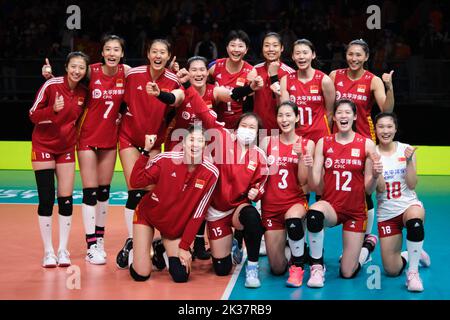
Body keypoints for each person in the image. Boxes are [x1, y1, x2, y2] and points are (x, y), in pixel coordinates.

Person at [150, 56, 262, 261]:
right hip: (185, 150)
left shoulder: (214, 92)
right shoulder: (183, 92)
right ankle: (166, 242)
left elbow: (234, 95)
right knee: (181, 199)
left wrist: (250, 87)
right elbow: (172, 98)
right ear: (188, 73)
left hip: (209, 151)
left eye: (202, 69)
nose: (199, 73)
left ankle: (204, 240)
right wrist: (163, 93)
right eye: (194, 70)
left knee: (204, 195)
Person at [173, 70, 268, 288]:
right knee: (222, 269)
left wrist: (256, 193)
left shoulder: (260, 156)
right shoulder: (222, 138)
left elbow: (260, 186)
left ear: (258, 133)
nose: (247, 130)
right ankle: (234, 242)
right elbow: (202, 110)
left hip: (236, 209)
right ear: (237, 128)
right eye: (244, 126)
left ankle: (252, 267)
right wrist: (187, 85)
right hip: (215, 211)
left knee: (252, 216)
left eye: (252, 128)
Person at [42, 35, 130, 265]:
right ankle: (91, 245)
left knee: (104, 192)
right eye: (108, 49)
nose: (112, 53)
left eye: (116, 50)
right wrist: (50, 77)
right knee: (90, 192)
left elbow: (143, 84)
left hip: (110, 139)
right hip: (87, 139)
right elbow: (71, 80)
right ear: (102, 53)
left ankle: (99, 240)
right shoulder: (91, 71)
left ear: (122, 53)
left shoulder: (126, 72)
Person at [116, 39, 180, 269]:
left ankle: (153, 241)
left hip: (154, 143)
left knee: (152, 193)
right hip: (129, 138)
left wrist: (165, 133)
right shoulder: (133, 75)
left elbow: (176, 109)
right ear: (148, 53)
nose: (158, 55)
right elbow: (117, 96)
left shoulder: (173, 81)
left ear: (169, 56)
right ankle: (133, 242)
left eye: (163, 51)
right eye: (154, 51)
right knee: (135, 189)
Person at [329, 38, 395, 264]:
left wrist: (389, 86)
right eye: (350, 54)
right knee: (335, 191)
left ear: (366, 57)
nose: (354, 58)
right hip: (337, 142)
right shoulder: (334, 76)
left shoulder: (372, 80)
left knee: (363, 191)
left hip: (364, 141)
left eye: (359, 55)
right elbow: (328, 110)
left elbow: (387, 109)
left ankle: (367, 238)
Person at [304, 99, 383, 288]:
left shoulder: (366, 144)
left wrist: (375, 175)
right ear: (334, 117)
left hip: (355, 210)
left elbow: (368, 190)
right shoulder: (324, 143)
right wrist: (309, 168)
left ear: (355, 116)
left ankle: (366, 248)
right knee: (314, 215)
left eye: (348, 112)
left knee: (347, 272)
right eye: (339, 112)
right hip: (331, 206)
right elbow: (316, 187)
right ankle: (317, 267)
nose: (343, 116)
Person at [128, 129, 219, 283]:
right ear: (183, 143)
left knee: (181, 275)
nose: (195, 144)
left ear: (205, 147)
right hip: (148, 215)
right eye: (191, 140)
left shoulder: (211, 173)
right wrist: (145, 152)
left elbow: (199, 213)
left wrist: (184, 246)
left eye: (200, 141)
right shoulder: (165, 159)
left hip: (172, 227)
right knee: (141, 274)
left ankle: (160, 248)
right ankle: (132, 249)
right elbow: (136, 182)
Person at [29, 51, 89, 268]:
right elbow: (33, 114)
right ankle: (48, 252)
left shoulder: (84, 92)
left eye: (81, 67)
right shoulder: (51, 85)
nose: (77, 71)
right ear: (66, 66)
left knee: (66, 199)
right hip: (43, 146)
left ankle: (63, 250)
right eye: (73, 66)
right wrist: (52, 110)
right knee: (46, 200)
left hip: (66, 149)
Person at [260, 101, 315, 287]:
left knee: (293, 219)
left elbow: (303, 182)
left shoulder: (307, 144)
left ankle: (298, 268)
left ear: (297, 117)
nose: (284, 120)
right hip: (270, 207)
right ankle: (295, 247)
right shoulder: (267, 142)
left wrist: (300, 157)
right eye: (280, 115)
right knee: (277, 269)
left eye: (288, 115)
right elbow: (259, 174)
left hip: (295, 202)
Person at [374, 112, 430, 292]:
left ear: (395, 129)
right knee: (392, 270)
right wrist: (377, 172)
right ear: (375, 129)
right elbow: (379, 190)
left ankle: (413, 274)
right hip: (387, 214)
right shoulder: (372, 154)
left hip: (408, 206)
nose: (385, 131)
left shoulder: (406, 149)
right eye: (381, 127)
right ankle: (414, 253)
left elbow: (412, 184)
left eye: (389, 127)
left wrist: (408, 162)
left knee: (415, 223)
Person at [279, 39, 335, 144]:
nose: (301, 57)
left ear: (313, 55)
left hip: (319, 135)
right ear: (292, 56)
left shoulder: (324, 80)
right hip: (295, 135)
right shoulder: (285, 80)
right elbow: (285, 110)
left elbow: (330, 112)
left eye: (305, 53)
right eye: (297, 53)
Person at [208, 30, 256, 129]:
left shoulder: (251, 72)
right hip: (214, 124)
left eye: (240, 46)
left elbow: (252, 105)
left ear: (246, 50)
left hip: (238, 127)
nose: (236, 49)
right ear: (227, 48)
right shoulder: (215, 66)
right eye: (233, 45)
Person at [253, 32, 296, 134]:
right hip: (257, 128)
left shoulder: (290, 73)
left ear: (282, 48)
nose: (271, 49)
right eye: (267, 45)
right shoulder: (255, 69)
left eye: (275, 45)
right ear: (262, 48)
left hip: (280, 130)